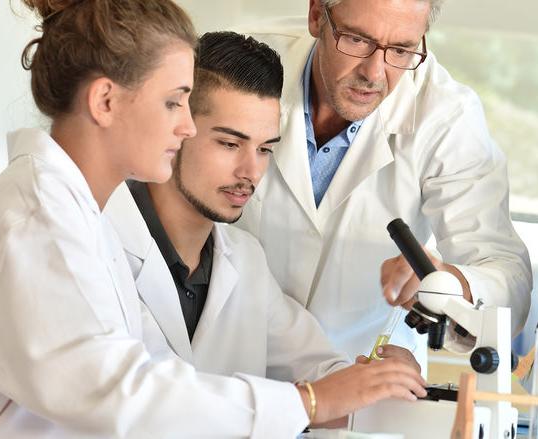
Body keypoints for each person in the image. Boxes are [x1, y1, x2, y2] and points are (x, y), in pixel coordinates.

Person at [0, 2, 425, 438]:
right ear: (106, 101)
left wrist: (360, 384)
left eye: (266, 148)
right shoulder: (39, 217)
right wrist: (307, 402)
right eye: (175, 102)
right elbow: (118, 392)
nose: (184, 126)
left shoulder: (71, 210)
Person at [104, 29, 425, 418]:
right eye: (229, 143)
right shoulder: (98, 240)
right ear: (177, 129)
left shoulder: (245, 261)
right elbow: (132, 403)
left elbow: (327, 375)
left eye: (264, 149)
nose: (250, 171)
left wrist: (386, 381)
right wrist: (311, 400)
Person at [235, 0, 533, 361]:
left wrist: (450, 284)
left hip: (360, 383)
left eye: (401, 49)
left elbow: (509, 281)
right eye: (358, 40)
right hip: (228, 372)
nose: (375, 74)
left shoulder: (446, 116)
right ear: (317, 15)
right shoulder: (239, 69)